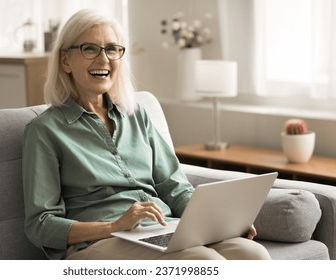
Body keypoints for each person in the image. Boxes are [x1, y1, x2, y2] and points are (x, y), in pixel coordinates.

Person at [22, 9, 271, 260]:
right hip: (97, 244)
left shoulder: (136, 115)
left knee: (253, 255)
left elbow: (175, 187)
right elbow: (40, 225)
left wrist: (221, 223)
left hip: (161, 229)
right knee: (206, 262)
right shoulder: (45, 131)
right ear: (65, 60)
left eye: (112, 48)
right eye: (89, 49)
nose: (103, 59)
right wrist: (115, 226)